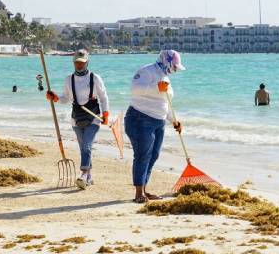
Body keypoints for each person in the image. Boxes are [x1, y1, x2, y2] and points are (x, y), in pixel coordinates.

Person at [124, 50, 185, 203]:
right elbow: (135, 89)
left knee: (154, 155)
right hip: (140, 118)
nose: (175, 69)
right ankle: (138, 193)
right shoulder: (147, 71)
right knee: (142, 155)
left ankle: (144, 189)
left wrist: (174, 120)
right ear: (167, 62)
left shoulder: (165, 78)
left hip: (159, 122)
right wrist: (156, 88)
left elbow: (165, 103)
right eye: (174, 66)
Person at [46, 49, 109, 189]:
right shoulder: (69, 79)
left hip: (93, 117)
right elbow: (66, 99)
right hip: (76, 119)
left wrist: (106, 114)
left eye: (82, 62)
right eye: (77, 62)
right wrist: (55, 98)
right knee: (83, 148)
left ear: (87, 62)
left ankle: (83, 174)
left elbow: (104, 97)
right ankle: (89, 177)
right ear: (73, 62)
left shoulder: (95, 78)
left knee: (86, 145)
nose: (79, 65)